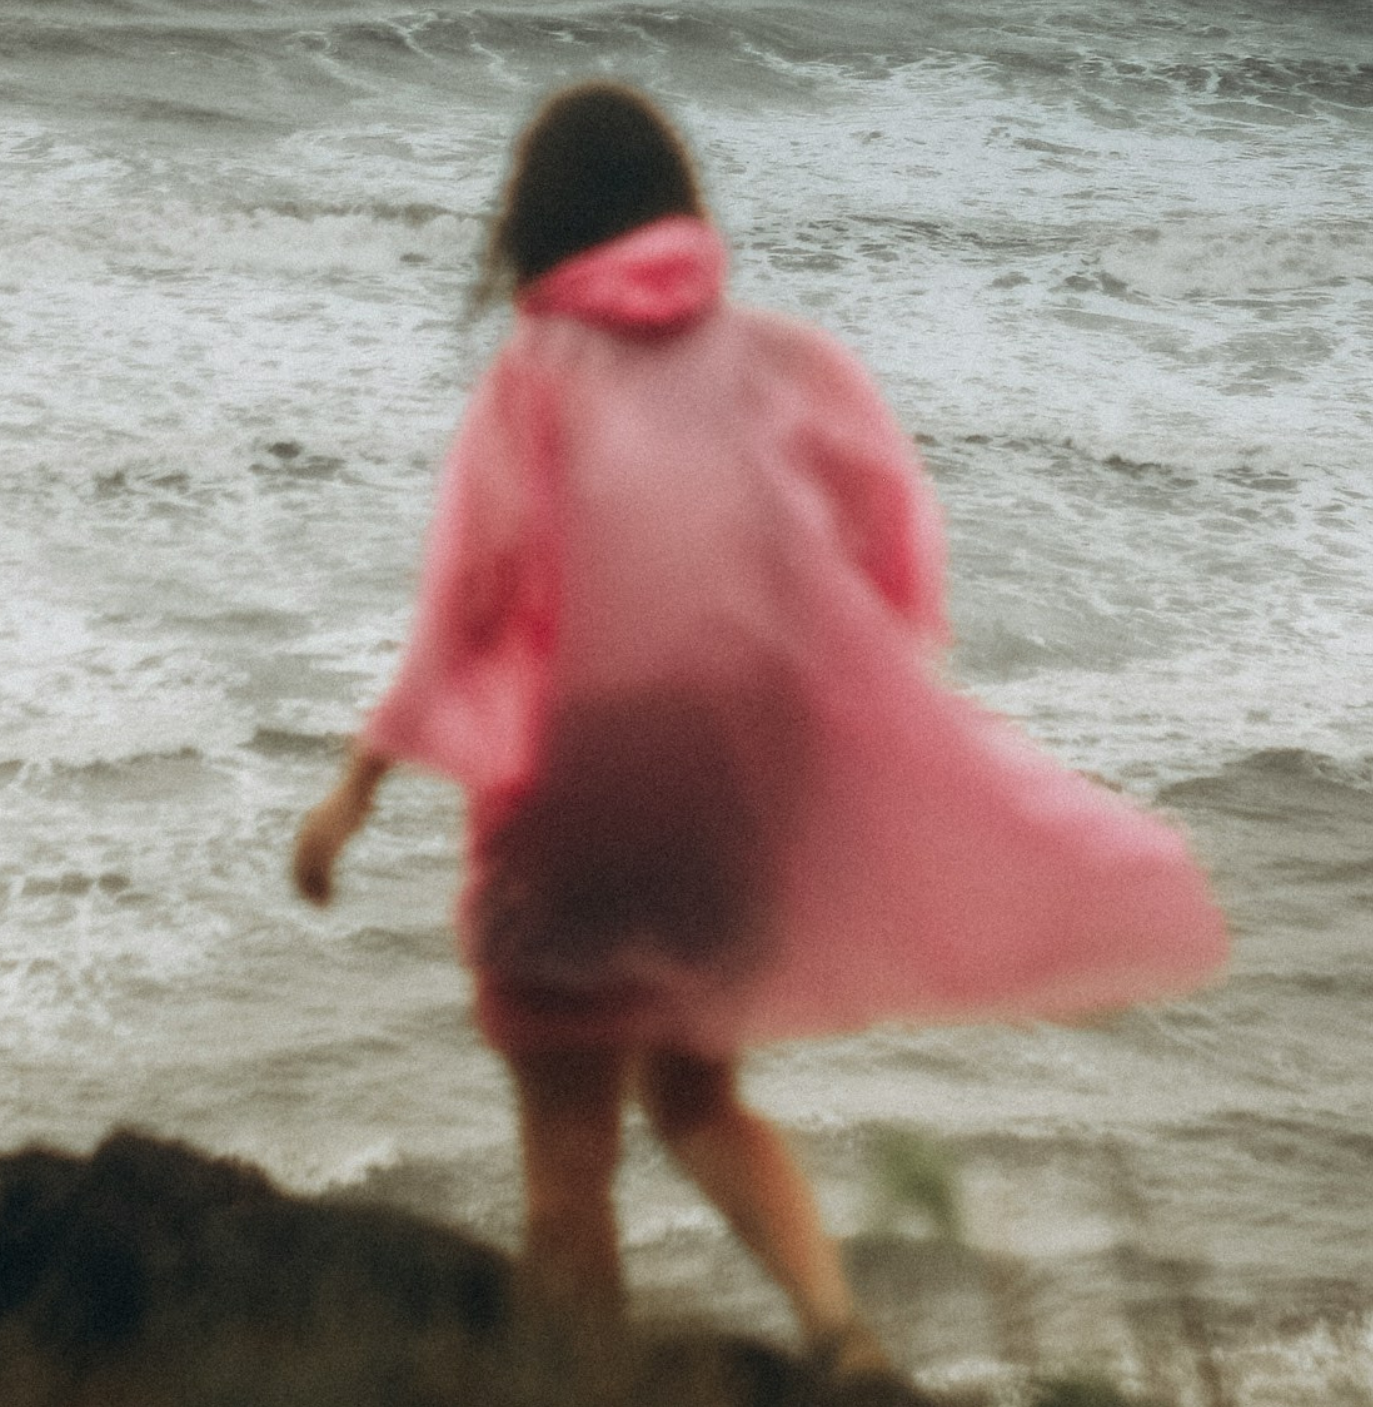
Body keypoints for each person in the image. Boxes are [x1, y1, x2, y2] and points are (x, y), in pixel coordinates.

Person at [292, 81, 1227, 1373]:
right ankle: (842, 1339)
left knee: (568, 1161)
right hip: (732, 789)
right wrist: (830, 694)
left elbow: (470, 601)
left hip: (574, 801)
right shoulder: (789, 361)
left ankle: (587, 1391)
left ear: (539, 219)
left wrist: (352, 794)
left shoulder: (534, 379)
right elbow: (895, 543)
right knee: (695, 1094)